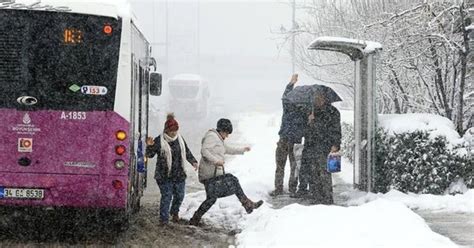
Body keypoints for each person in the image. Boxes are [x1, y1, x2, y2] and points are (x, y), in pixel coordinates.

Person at [189, 118, 263, 226]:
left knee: (212, 198)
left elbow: (227, 149)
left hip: (213, 174)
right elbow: (204, 151)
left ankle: (195, 219)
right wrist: (216, 161)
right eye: (227, 133)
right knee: (231, 180)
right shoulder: (212, 136)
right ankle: (247, 204)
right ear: (222, 130)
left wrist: (242, 150)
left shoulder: (218, 139)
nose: (227, 136)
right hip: (208, 174)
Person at [146, 113, 198, 225]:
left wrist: (193, 161)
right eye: (172, 130)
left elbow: (187, 152)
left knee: (180, 196)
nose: (174, 132)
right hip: (164, 175)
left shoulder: (180, 139)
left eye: (176, 130)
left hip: (179, 174)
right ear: (166, 130)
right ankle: (163, 220)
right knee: (167, 196)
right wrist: (150, 146)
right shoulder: (159, 141)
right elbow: (149, 155)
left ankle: (174, 212)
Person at [294, 91, 341, 204]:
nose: (317, 100)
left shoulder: (333, 112)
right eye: (315, 98)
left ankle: (327, 198)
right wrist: (309, 121)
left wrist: (336, 144)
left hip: (325, 146)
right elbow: (303, 131)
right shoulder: (310, 111)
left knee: (324, 173)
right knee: (312, 173)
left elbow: (336, 130)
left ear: (325, 98)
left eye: (319, 97)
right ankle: (315, 197)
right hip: (311, 146)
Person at [271, 74, 307, 196]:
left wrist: (291, 84)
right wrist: (291, 84)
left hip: (286, 140)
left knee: (283, 166)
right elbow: (285, 97)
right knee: (293, 166)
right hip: (292, 141)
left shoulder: (289, 107)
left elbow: (285, 96)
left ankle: (280, 188)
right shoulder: (302, 110)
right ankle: (291, 189)